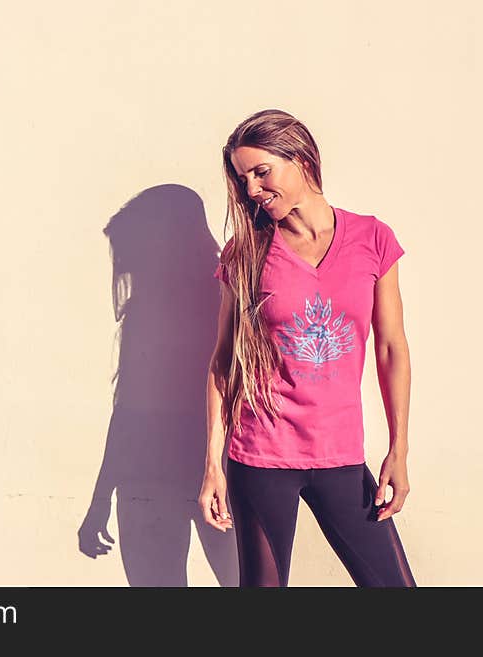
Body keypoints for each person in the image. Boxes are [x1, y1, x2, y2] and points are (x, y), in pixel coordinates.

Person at [198, 109, 417, 587]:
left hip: (340, 454)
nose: (252, 189)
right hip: (260, 456)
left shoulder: (372, 238)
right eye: (243, 178)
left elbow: (391, 349)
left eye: (262, 171)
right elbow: (222, 361)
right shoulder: (246, 252)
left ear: (298, 157)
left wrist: (398, 449)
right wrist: (213, 462)